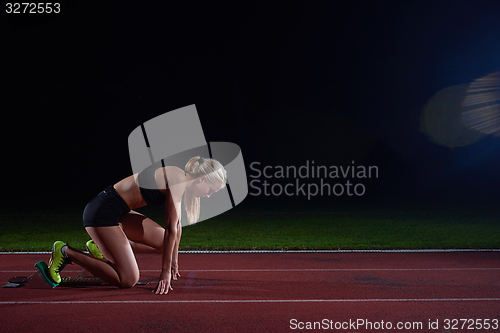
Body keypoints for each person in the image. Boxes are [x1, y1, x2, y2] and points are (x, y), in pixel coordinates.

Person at [47, 156, 227, 295]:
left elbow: (177, 227)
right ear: (203, 179)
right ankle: (64, 251)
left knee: (167, 246)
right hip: (102, 212)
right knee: (128, 279)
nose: (209, 195)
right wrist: (165, 272)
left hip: (120, 212)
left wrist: (174, 261)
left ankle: (99, 247)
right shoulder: (178, 178)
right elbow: (172, 226)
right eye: (211, 190)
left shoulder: (182, 181)